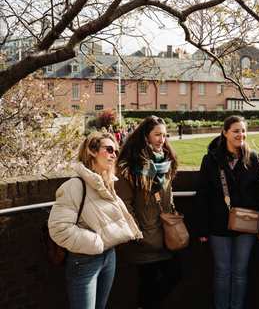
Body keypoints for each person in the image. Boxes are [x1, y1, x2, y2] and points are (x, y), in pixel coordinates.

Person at [48, 132, 142, 309]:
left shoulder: (105, 183)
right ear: (92, 151)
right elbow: (58, 228)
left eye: (116, 151)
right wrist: (96, 243)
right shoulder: (74, 186)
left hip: (109, 256)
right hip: (85, 260)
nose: (114, 154)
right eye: (109, 149)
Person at [196, 115, 259, 309]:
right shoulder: (210, 159)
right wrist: (202, 229)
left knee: (240, 271)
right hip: (218, 224)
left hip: (247, 224)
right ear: (225, 132)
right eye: (236, 131)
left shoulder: (254, 158)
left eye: (243, 131)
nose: (241, 135)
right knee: (222, 271)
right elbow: (202, 195)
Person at [115, 116, 182, 309]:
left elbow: (168, 198)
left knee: (175, 274)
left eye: (164, 135)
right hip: (144, 237)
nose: (162, 139)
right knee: (148, 283)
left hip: (165, 235)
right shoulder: (129, 168)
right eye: (157, 135)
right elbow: (124, 205)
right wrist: (138, 235)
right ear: (146, 136)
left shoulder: (165, 164)